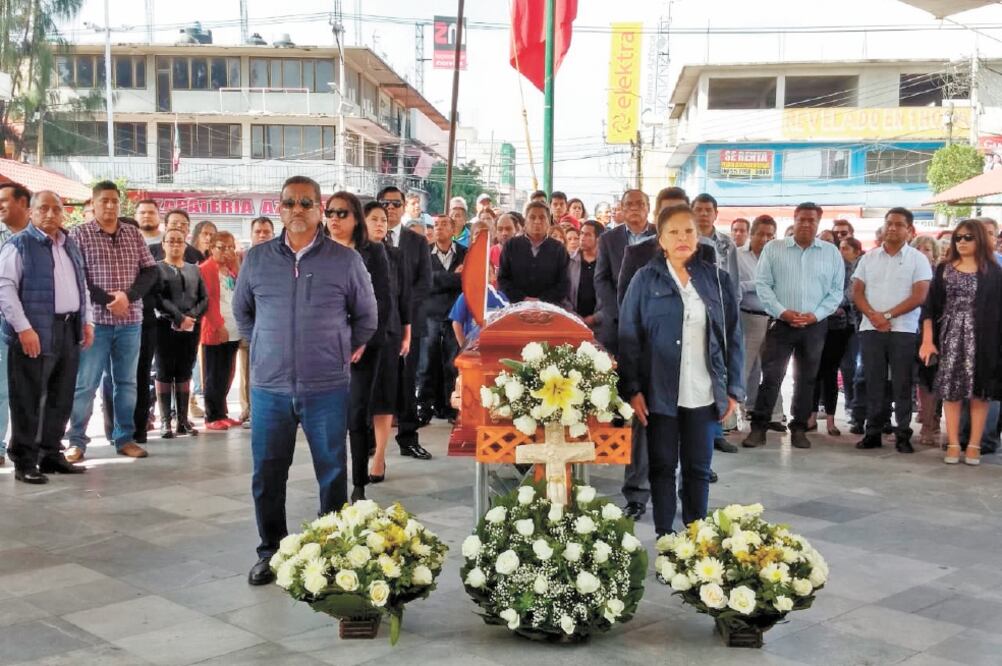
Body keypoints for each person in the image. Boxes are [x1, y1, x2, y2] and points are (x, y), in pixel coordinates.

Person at [236, 175, 377, 586]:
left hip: (327, 387)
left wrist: (337, 348)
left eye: (306, 203)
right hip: (269, 388)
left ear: (320, 208)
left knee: (333, 472)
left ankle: (330, 551)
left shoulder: (346, 261)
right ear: (279, 209)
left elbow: (367, 317)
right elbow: (243, 313)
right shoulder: (257, 259)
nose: (297, 210)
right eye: (289, 203)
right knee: (267, 473)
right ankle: (272, 552)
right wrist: (265, 344)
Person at [618, 204, 743, 536]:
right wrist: (632, 390)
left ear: (698, 235)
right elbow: (628, 336)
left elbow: (733, 335)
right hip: (659, 392)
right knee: (661, 467)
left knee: (698, 469)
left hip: (702, 391)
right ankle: (665, 539)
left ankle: (694, 539)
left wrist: (734, 390)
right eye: (673, 232)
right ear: (660, 239)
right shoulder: (645, 279)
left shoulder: (717, 279)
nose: (682, 238)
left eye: (688, 231)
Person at [0, 190, 92, 483]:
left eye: (57, 209)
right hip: (34, 331)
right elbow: (5, 288)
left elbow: (83, 286)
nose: (51, 214)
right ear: (31, 212)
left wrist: (86, 321)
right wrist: (24, 328)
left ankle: (50, 454)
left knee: (61, 396)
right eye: (44, 209)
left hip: (68, 329)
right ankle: (24, 461)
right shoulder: (19, 244)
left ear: (64, 212)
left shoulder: (70, 244)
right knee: (27, 398)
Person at [65, 181, 158, 462]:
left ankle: (124, 438)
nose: (109, 206)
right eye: (104, 200)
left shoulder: (132, 233)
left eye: (114, 201)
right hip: (95, 323)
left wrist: (127, 297)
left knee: (127, 383)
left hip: (130, 321)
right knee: (86, 384)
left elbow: (150, 271)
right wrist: (109, 300)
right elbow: (77, 279)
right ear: (93, 204)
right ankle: (77, 441)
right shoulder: (79, 235)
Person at [742, 202, 845, 450]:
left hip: (814, 325)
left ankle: (799, 428)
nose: (806, 224)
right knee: (772, 376)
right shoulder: (775, 249)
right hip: (781, 323)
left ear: (818, 222)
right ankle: (759, 427)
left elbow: (835, 291)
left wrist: (815, 315)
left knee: (806, 378)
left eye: (811, 220)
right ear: (794, 219)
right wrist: (782, 312)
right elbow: (763, 285)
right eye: (802, 219)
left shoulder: (831, 253)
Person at [325, 193, 391, 502]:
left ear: (355, 219)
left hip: (365, 345)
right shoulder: (317, 251)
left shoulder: (373, 252)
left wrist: (360, 339)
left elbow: (381, 301)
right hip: (324, 346)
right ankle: (331, 480)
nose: (334, 219)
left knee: (357, 413)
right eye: (330, 213)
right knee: (327, 416)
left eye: (342, 213)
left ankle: (359, 484)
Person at [919, 220, 1002, 466]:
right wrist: (927, 341)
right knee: (951, 392)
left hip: (985, 339)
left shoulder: (994, 271)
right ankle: (954, 443)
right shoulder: (944, 268)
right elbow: (930, 308)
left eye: (968, 237)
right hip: (950, 336)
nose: (962, 242)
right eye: (958, 238)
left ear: (979, 239)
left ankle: (974, 444)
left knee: (981, 392)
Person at [851, 207, 932, 454]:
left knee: (902, 382)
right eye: (889, 224)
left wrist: (886, 315)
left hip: (903, 331)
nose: (892, 228)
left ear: (910, 230)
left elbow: (920, 295)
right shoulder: (869, 257)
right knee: (873, 381)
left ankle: (903, 434)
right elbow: (857, 292)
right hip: (871, 328)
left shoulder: (918, 259)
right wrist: (874, 317)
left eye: (898, 224)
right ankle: (873, 431)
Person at [380, 186, 433, 461]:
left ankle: (408, 438)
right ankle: (370, 444)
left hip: (409, 324)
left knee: (407, 381)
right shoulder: (370, 240)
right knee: (377, 384)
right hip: (377, 327)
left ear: (403, 208)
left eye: (395, 204)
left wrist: (403, 313)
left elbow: (425, 283)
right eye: (385, 203)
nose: (390, 208)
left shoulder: (417, 241)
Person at [363, 201, 411, 487]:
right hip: (357, 334)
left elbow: (404, 296)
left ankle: (379, 456)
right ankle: (360, 454)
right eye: (374, 219)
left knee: (384, 396)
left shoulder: (395, 255)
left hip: (390, 332)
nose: (380, 223)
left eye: (384, 219)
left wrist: (407, 331)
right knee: (360, 400)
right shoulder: (350, 254)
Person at [154, 228, 207, 439]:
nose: (175, 245)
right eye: (171, 241)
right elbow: (158, 298)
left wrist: (191, 316)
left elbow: (204, 298)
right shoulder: (157, 268)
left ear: (185, 245)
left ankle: (183, 420)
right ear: (164, 244)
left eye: (179, 241)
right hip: (164, 326)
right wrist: (178, 317)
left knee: (185, 370)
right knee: (164, 371)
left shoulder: (194, 269)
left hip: (191, 326)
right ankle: (166, 421)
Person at [736, 215, 786, 431]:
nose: (765, 239)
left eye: (770, 235)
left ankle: (773, 415)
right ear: (752, 233)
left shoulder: (778, 258)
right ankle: (733, 415)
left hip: (774, 318)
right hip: (748, 316)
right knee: (744, 367)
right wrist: (759, 284)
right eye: (761, 234)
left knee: (774, 368)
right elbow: (733, 286)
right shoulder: (737, 255)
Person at [806, 231, 857, 438]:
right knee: (812, 372)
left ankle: (830, 419)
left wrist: (827, 306)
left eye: (830, 241)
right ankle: (809, 416)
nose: (825, 244)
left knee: (830, 372)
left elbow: (848, 293)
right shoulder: (809, 264)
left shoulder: (845, 266)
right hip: (814, 323)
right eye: (822, 240)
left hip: (838, 326)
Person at [418, 213, 467, 425]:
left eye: (444, 224)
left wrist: (443, 280)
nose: (439, 228)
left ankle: (451, 407)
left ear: (453, 229)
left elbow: (467, 280)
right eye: (436, 224)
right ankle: (425, 407)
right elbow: (427, 282)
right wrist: (454, 278)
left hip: (455, 315)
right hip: (430, 314)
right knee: (427, 362)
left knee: (453, 362)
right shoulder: (425, 253)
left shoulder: (465, 253)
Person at [0, 182, 32, 466]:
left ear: (22, 203)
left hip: (38, 324)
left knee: (35, 387)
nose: (0, 206)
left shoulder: (43, 236)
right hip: (4, 322)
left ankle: (34, 445)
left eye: (4, 201)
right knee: (1, 387)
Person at [199, 231, 242, 431]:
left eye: (231, 247)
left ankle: (222, 412)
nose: (227, 251)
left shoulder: (232, 269)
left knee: (227, 373)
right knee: (213, 374)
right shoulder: (206, 269)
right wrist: (219, 326)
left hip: (234, 328)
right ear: (211, 248)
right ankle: (211, 416)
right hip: (216, 329)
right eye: (222, 247)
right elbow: (207, 302)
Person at [238, 216, 275, 428]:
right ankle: (249, 410)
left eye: (266, 232)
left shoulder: (281, 257)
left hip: (274, 329)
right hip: (252, 326)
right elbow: (240, 300)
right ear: (251, 235)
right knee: (248, 371)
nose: (262, 235)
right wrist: (250, 331)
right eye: (258, 232)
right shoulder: (244, 257)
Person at [498, 201, 570, 305]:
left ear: (549, 222)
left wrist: (541, 301)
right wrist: (523, 299)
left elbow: (564, 284)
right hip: (516, 307)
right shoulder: (511, 246)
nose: (537, 221)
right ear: (525, 221)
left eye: (542, 217)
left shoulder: (559, 249)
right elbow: (503, 279)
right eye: (532, 217)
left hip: (549, 310)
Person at [566, 220, 601, 331]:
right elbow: (562, 293)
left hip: (601, 324)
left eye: (587, 234)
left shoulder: (607, 262)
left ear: (598, 239)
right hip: (572, 321)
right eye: (581, 233)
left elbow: (612, 297)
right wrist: (575, 317)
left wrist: (596, 317)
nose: (582, 237)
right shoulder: (568, 261)